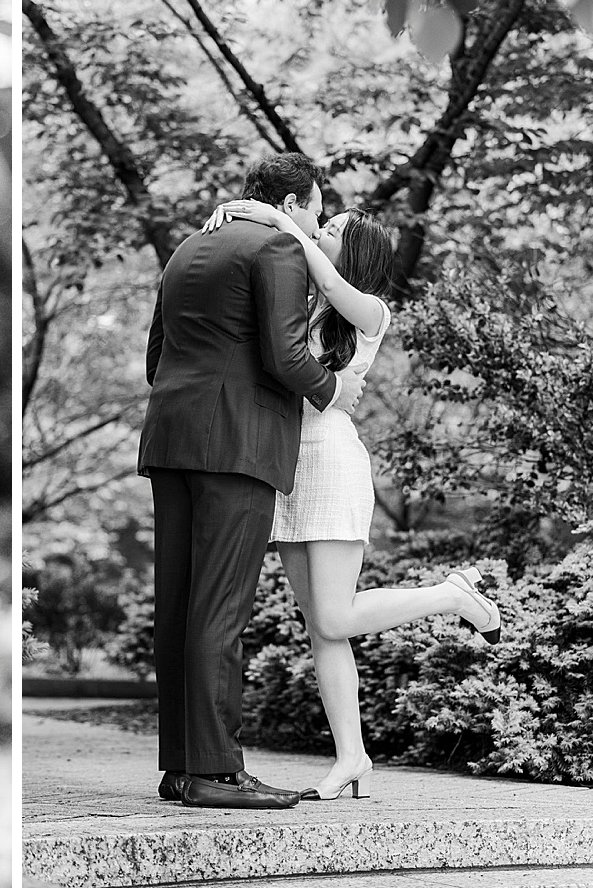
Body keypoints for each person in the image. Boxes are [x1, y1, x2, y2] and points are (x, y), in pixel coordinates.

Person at [201, 200, 503, 801]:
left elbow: (325, 274)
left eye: (332, 229)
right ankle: (353, 757)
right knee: (322, 630)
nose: (319, 231)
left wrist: (279, 221)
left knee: (335, 616)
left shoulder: (369, 310)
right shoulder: (303, 301)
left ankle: (450, 594)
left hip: (334, 464)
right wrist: (241, 215)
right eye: (321, 224)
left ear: (355, 249)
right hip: (287, 467)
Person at [136, 152, 366, 810]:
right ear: (293, 205)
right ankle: (215, 770)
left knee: (179, 602)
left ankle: (180, 767)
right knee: (222, 603)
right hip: (236, 443)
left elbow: (157, 358)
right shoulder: (277, 249)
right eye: (316, 211)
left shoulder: (187, 247)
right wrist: (333, 390)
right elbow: (287, 352)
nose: (315, 225)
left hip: (172, 436)